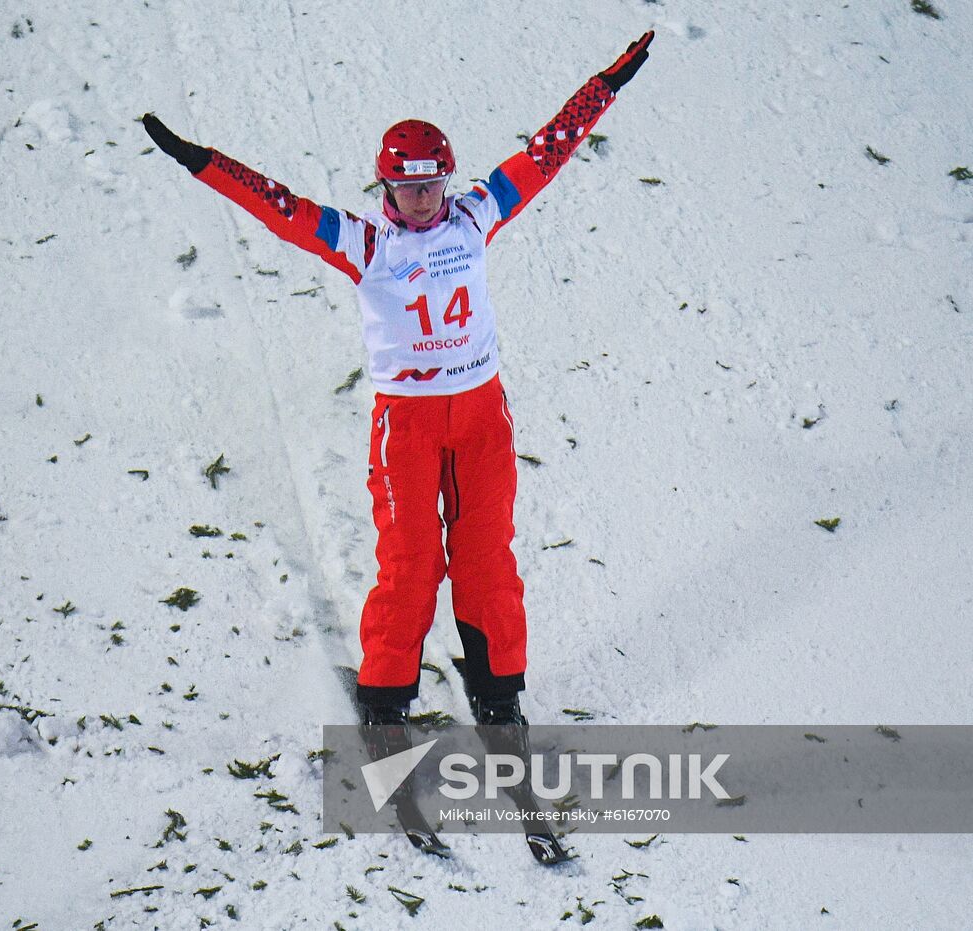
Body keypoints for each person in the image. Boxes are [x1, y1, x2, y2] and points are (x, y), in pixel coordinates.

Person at [143, 32, 653, 728]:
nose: (422, 200)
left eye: (432, 184)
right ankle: (385, 696)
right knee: (411, 560)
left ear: (448, 178)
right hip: (406, 424)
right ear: (385, 185)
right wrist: (200, 161)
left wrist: (606, 84)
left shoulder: (474, 216)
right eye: (408, 187)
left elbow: (547, 152)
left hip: (480, 414)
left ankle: (497, 688)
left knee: (485, 556)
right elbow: (278, 207)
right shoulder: (366, 244)